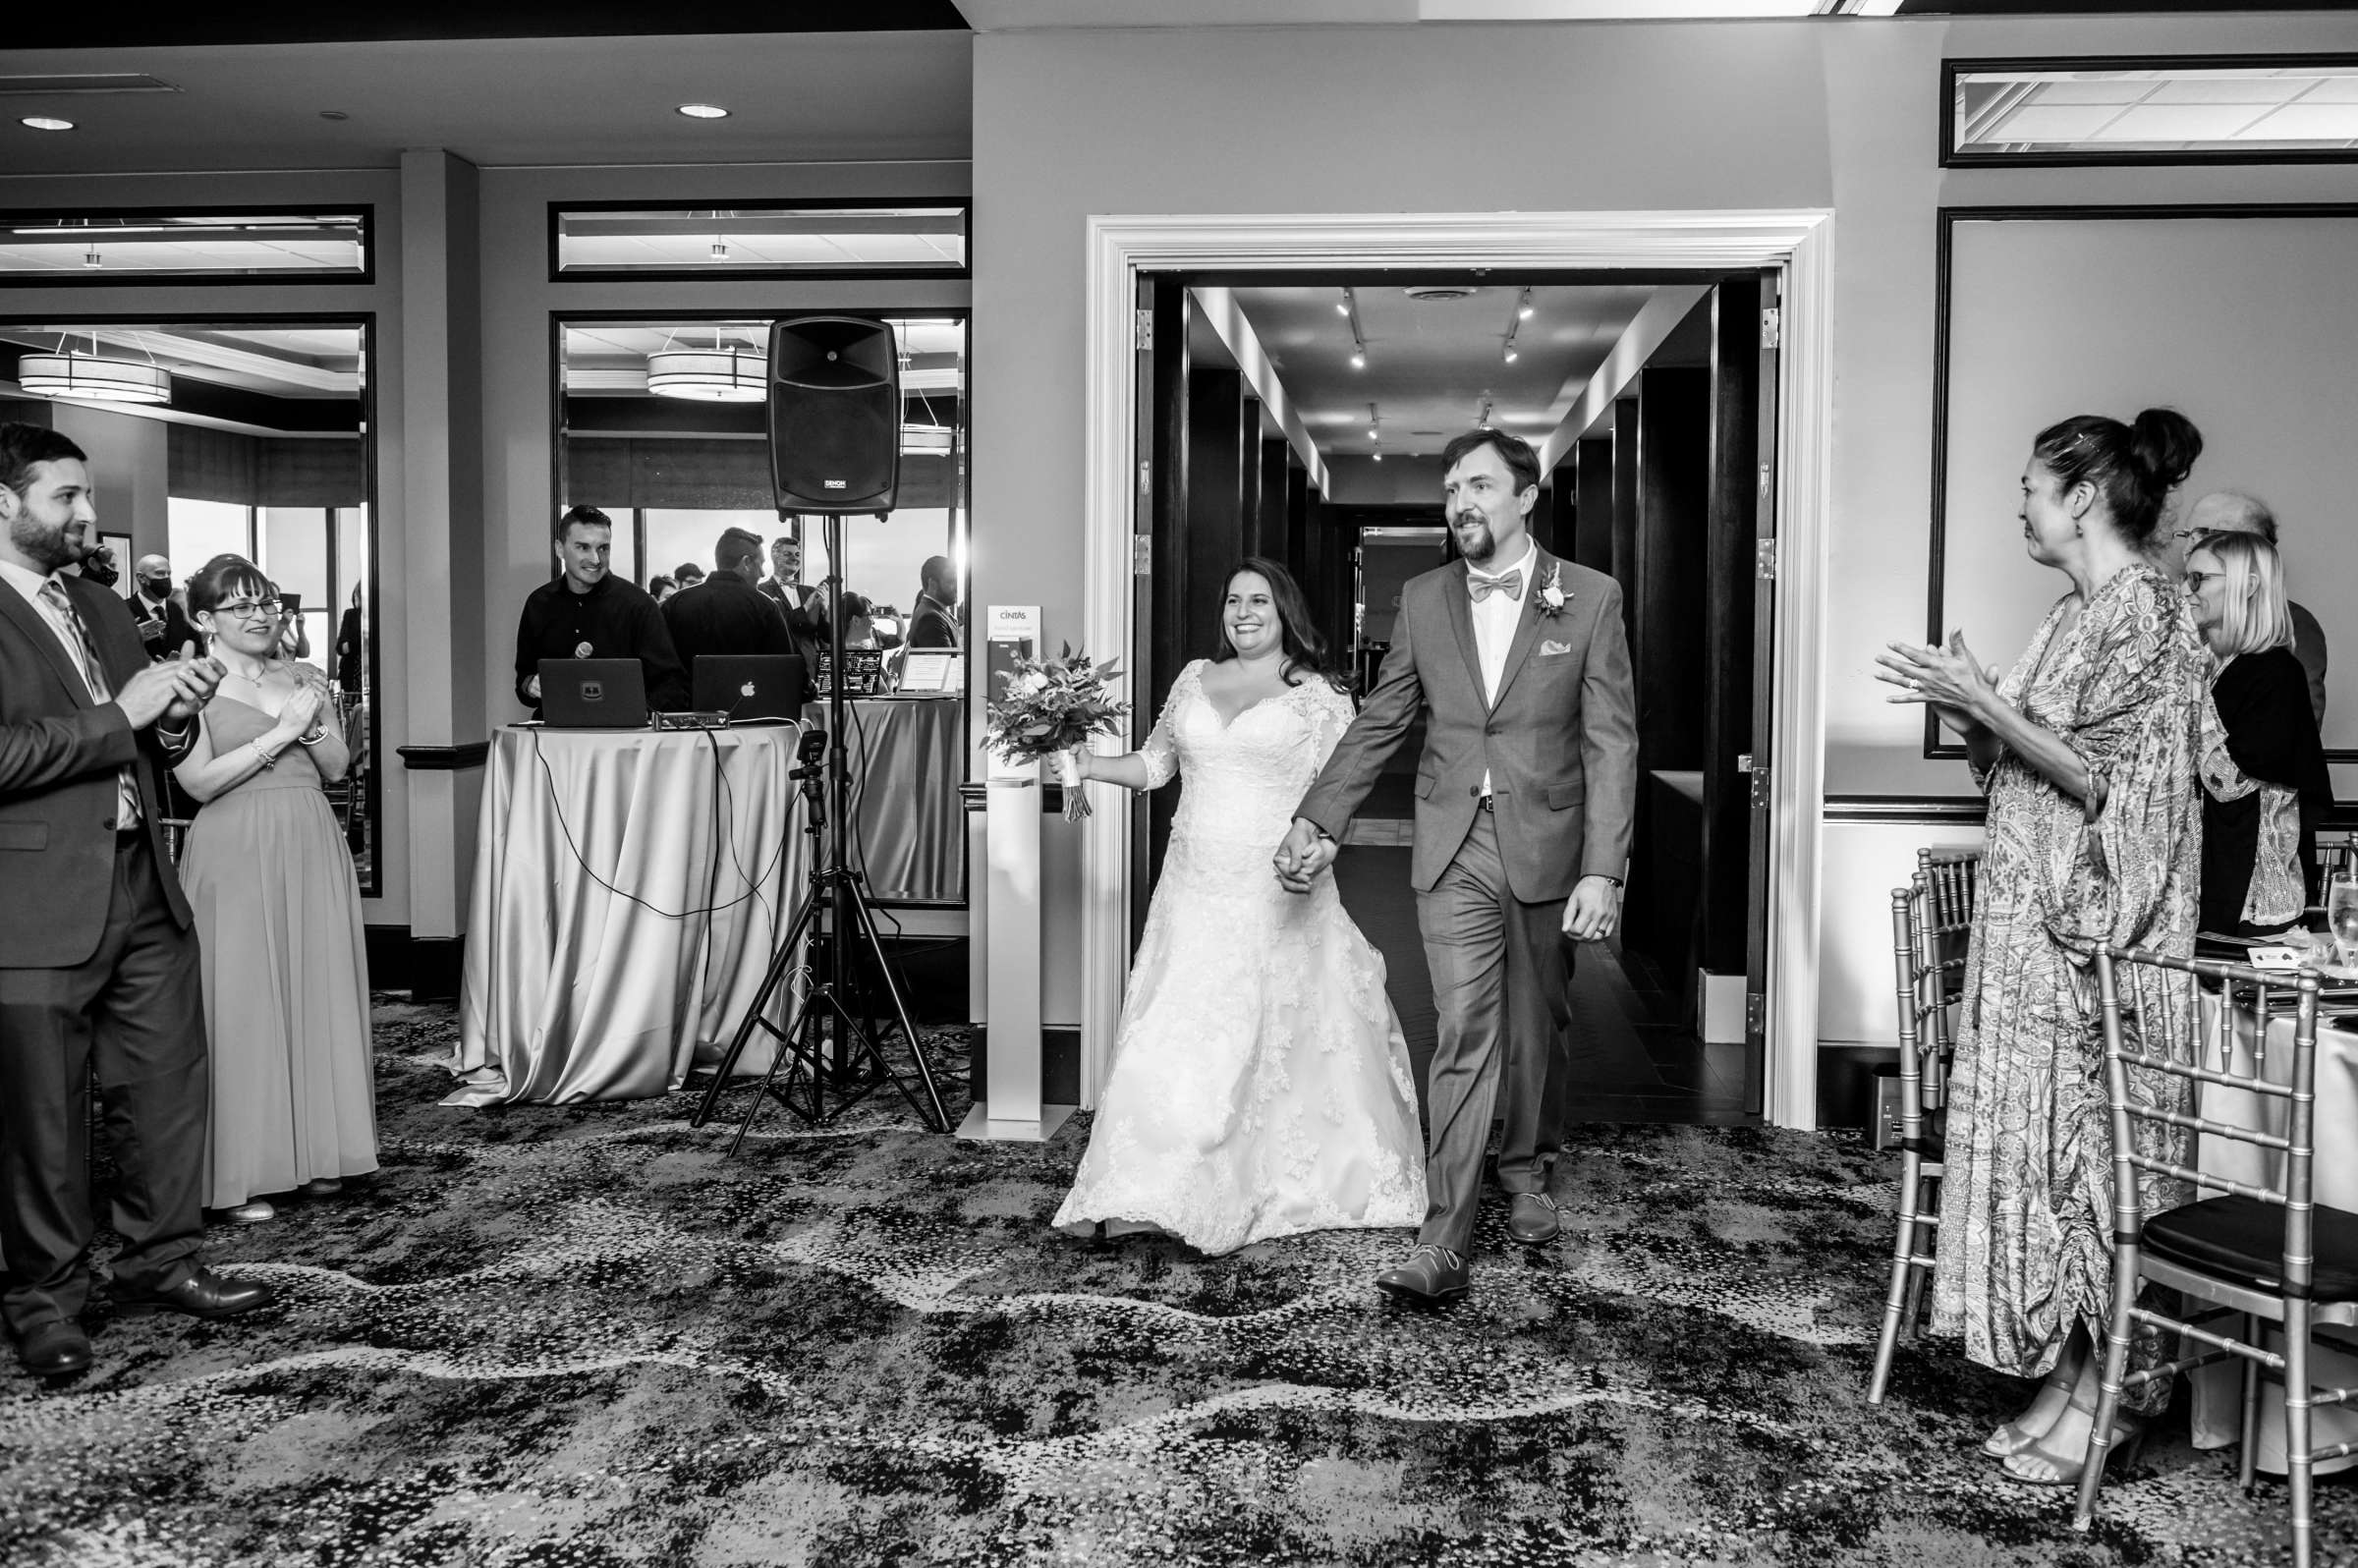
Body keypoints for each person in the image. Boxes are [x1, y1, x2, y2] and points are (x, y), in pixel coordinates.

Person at [1878, 407, 2208, 1486]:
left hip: (2096, 949)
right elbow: (2034, 761)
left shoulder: (2150, 612)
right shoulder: (2073, 616)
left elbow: (2127, 788)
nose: (2017, 501)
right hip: (2033, 942)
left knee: (2092, 1173)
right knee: (2041, 1163)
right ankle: (2067, 1376)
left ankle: (2114, 1395)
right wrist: (1972, 710)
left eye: (2030, 483)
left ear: (2082, 493)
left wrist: (1989, 704)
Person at [1277, 428, 1639, 1306]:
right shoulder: (1425, 597)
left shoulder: (1587, 598)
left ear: (1525, 497)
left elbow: (1611, 740)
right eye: (1449, 490)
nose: (1460, 503)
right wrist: (1318, 814)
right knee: (1463, 1028)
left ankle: (1528, 1165)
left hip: (1549, 845)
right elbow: (1383, 718)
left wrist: (1604, 869)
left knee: (1538, 1018)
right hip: (1450, 842)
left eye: (1479, 485)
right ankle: (1444, 1234)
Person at [0, 422, 274, 1379]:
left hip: (141, 882)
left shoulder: (102, 608)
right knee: (45, 1117)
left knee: (163, 1086)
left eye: (84, 495)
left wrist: (175, 716)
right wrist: (129, 715)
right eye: (64, 497)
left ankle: (163, 1258)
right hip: (33, 899)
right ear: (5, 504)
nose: (87, 512)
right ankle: (49, 1299)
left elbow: (146, 734)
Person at [1055, 558, 1427, 1252]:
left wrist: (1320, 853)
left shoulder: (1320, 697)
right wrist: (1085, 766)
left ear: (1285, 611)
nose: (1243, 612)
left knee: (1258, 1040)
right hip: (1191, 888)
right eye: (1233, 600)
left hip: (1273, 889)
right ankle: (1149, 1186)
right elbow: (1155, 765)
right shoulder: (1195, 677)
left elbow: (1338, 799)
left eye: (1259, 600)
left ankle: (1257, 1185)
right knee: (1172, 1031)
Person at [172, 556, 377, 1223]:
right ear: (205, 619)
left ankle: (318, 1154)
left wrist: (311, 721)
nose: (261, 615)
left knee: (313, 992)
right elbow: (197, 783)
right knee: (242, 1004)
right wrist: (281, 733)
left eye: (266, 603)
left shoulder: (304, 676)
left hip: (310, 839)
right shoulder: (192, 686)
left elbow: (339, 765)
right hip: (233, 848)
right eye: (241, 606)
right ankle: (242, 1173)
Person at [2183, 532, 2332, 937]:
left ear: (2247, 586)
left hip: (2250, 898)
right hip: (2197, 886)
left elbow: (2228, 782)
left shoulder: (2276, 673)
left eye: (2199, 579)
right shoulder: (2212, 667)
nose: (2186, 591)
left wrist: (2186, 691)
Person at [2164, 491, 2329, 728]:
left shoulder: (2293, 627)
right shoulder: (2178, 618)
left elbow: (2295, 726)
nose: (2186, 547)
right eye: (2186, 535)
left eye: (2201, 534)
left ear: (2245, 547)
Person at [512, 505, 688, 714]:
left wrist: (634, 717)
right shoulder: (539, 603)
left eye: (603, 548)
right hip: (555, 738)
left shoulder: (638, 604)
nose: (596, 559)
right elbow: (523, 682)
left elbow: (672, 685)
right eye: (583, 547)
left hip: (624, 738)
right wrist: (531, 685)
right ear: (560, 549)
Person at [659, 527, 800, 693]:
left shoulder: (675, 603)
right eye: (760, 564)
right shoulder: (764, 606)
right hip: (748, 711)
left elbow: (660, 664)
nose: (762, 573)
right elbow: (786, 670)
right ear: (746, 562)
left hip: (685, 712)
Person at [127, 554, 204, 662]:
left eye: (168, 573)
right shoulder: (124, 610)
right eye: (160, 573)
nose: (166, 578)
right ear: (141, 578)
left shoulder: (175, 608)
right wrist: (132, 638)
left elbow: (196, 643)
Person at [907, 555, 961, 650]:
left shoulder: (936, 612)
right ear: (933, 584)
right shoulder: (931, 619)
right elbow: (945, 663)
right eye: (951, 581)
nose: (957, 588)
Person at [333, 582, 365, 695]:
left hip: (366, 670)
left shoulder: (375, 615)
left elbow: (348, 646)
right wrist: (355, 644)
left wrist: (350, 645)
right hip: (350, 673)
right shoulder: (351, 614)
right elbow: (340, 648)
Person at [758, 534, 804, 613]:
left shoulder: (811, 592)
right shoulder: (760, 591)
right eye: (787, 554)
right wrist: (807, 607)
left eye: (797, 555)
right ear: (774, 556)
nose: (794, 558)